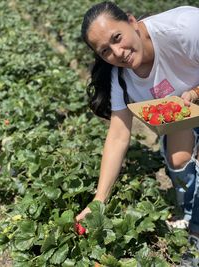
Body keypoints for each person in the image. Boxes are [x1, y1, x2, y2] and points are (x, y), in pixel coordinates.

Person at [76, 1, 199, 265]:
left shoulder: (185, 28)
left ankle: (196, 230)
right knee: (178, 160)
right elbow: (118, 136)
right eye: (105, 51)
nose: (118, 52)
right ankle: (192, 217)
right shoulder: (120, 77)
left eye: (117, 38)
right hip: (187, 111)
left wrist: (197, 93)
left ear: (132, 21)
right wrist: (99, 201)